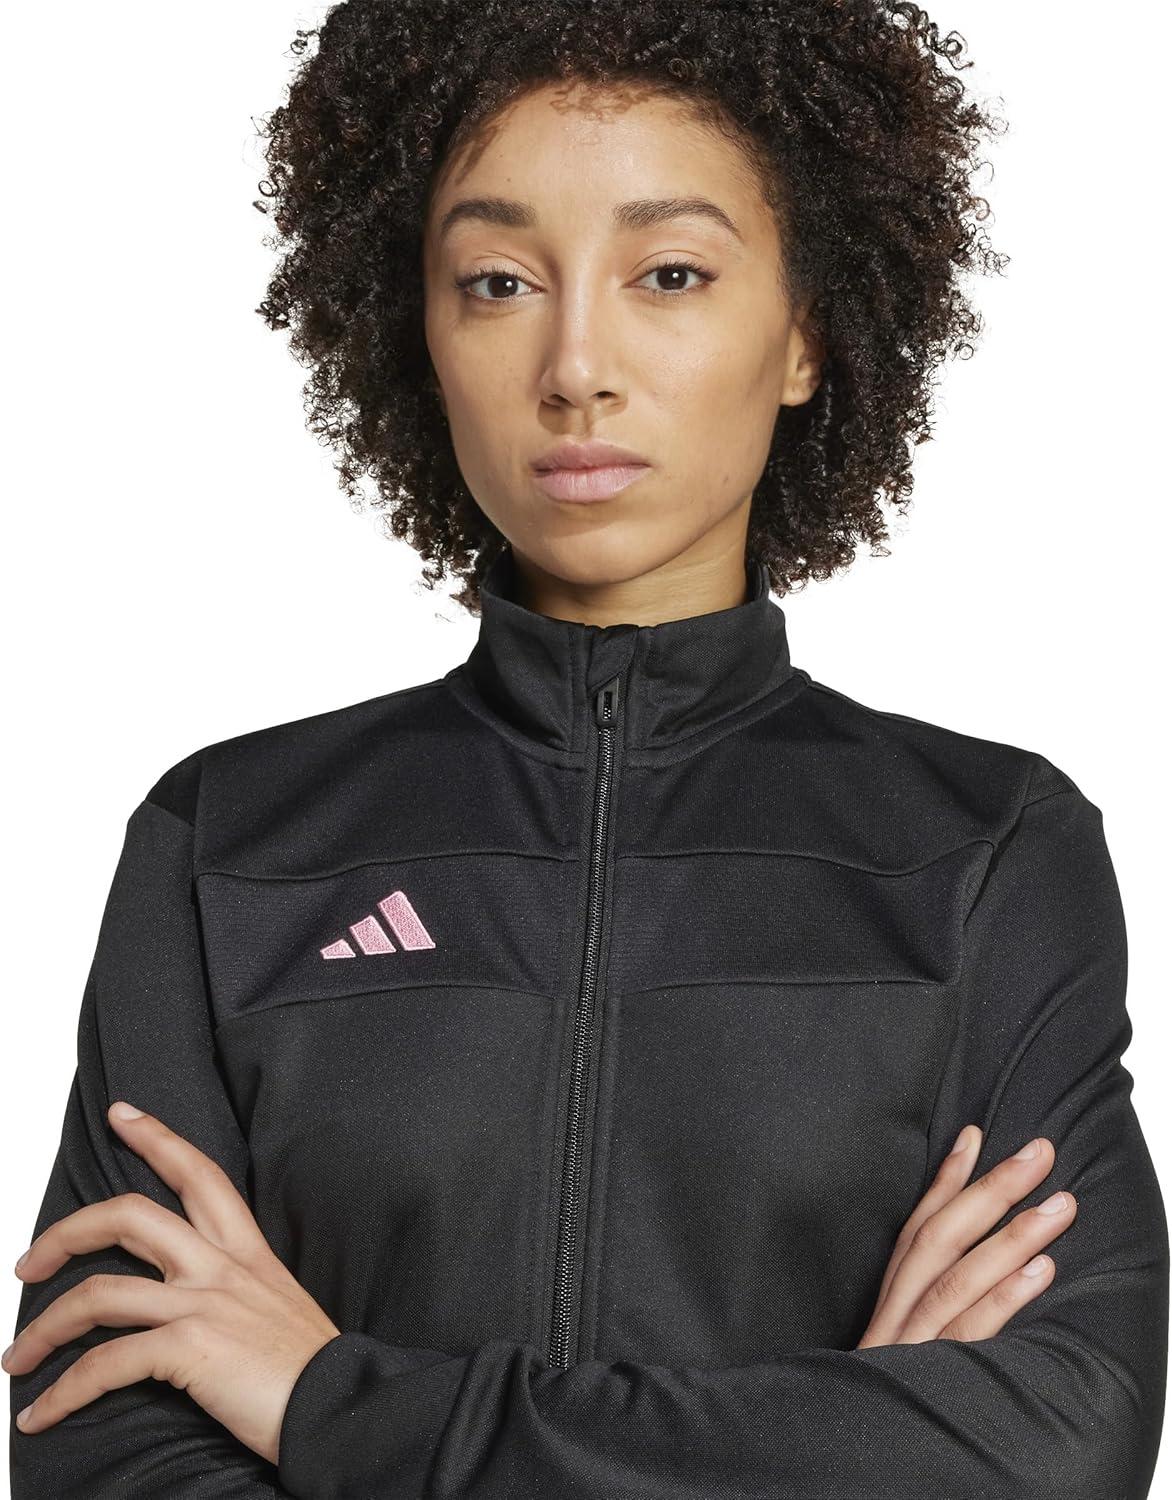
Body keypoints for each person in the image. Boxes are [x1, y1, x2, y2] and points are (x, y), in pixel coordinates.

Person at [8, 0, 1168, 1495]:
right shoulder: (226, 843)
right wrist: (849, 1434)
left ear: (806, 332)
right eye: (497, 283)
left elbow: (1060, 1447)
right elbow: (105, 1447)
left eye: (669, 274)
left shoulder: (988, 849)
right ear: (421, 333)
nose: (575, 367)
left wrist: (322, 1399)